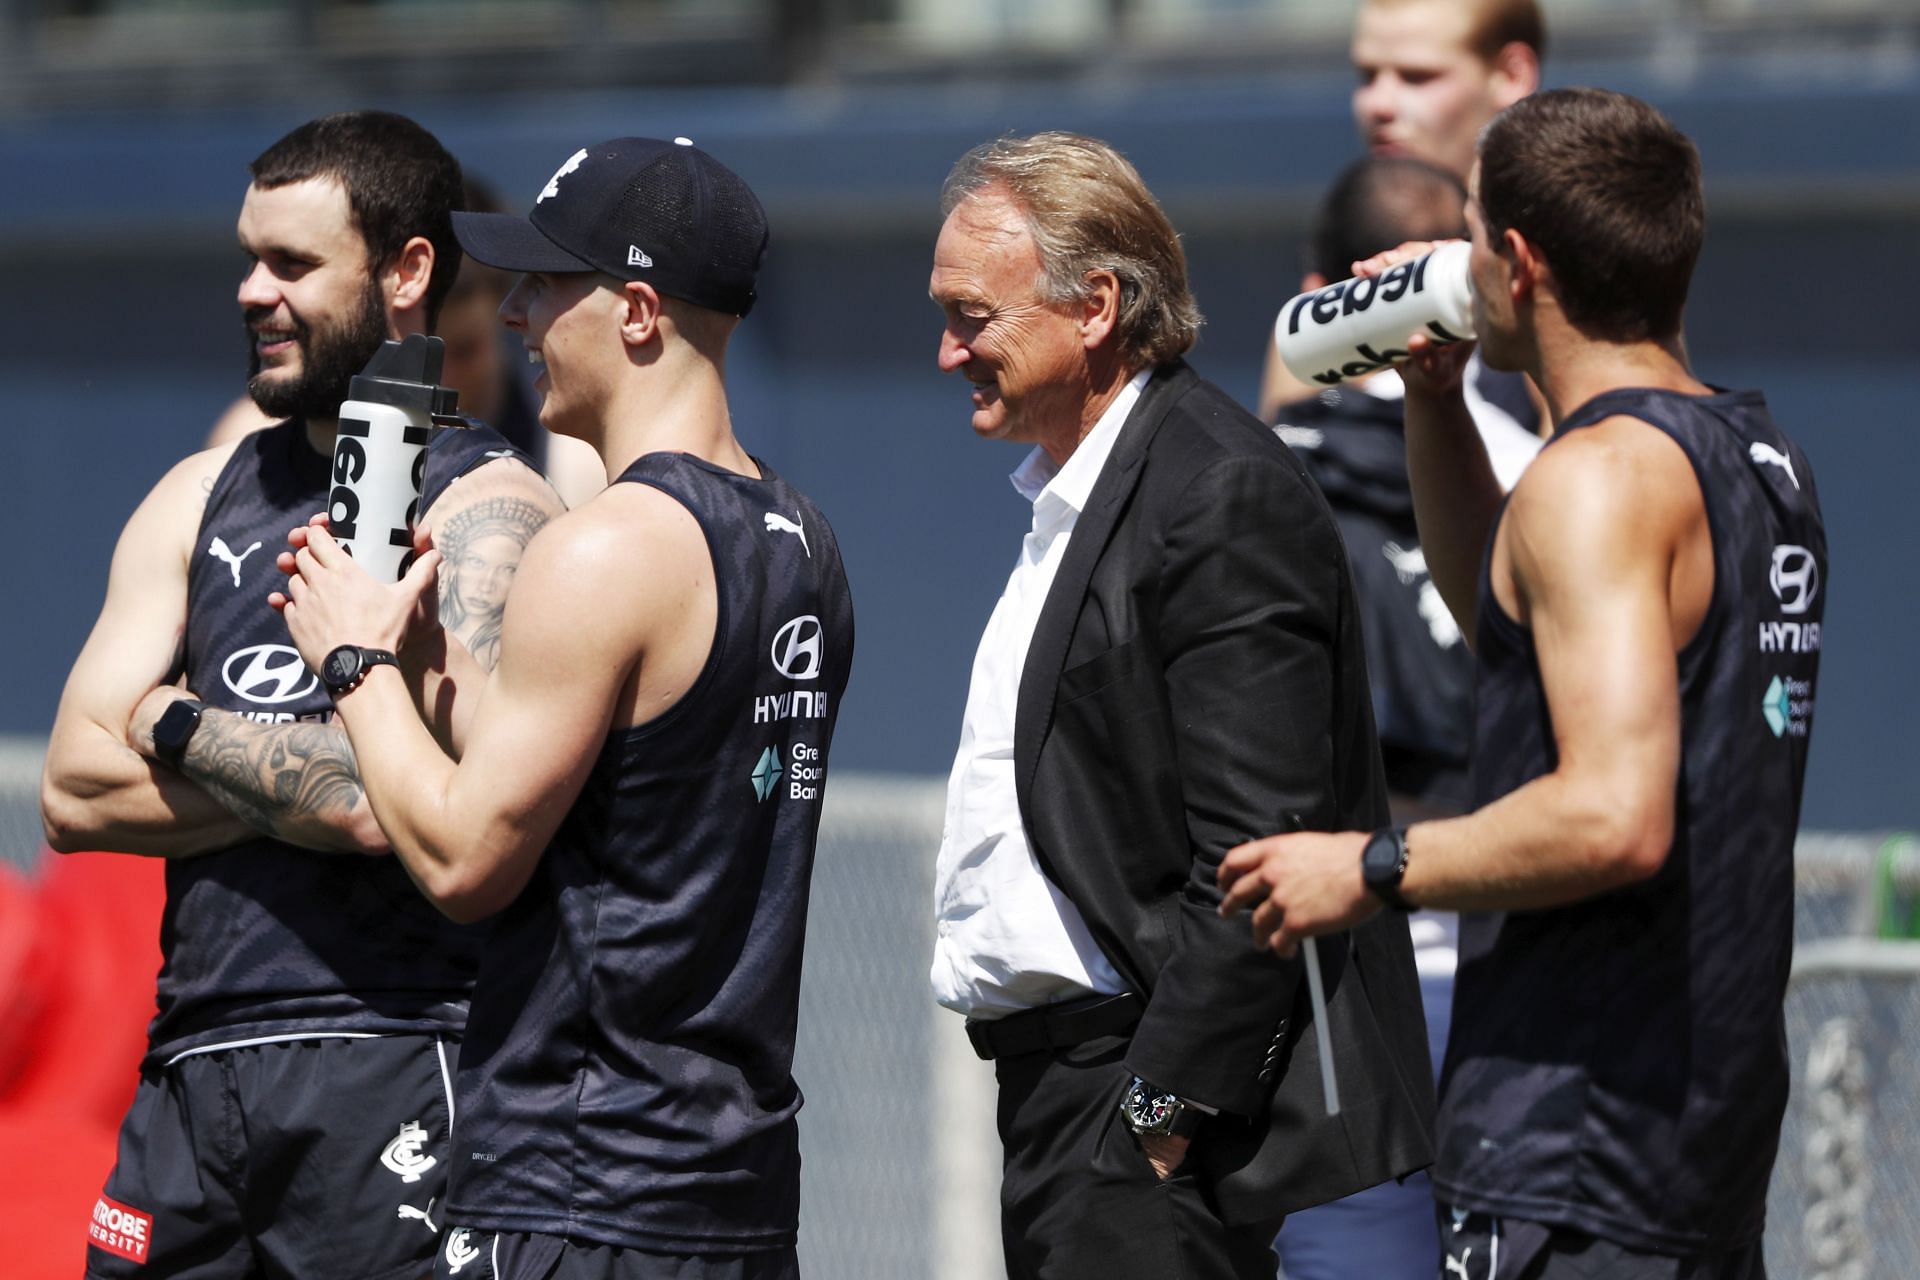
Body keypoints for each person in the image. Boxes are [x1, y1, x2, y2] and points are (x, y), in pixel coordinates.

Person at [1220, 88, 1826, 1278]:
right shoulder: (1751, 459)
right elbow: (1506, 612)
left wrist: (1369, 866)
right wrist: (1435, 399)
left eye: (1473, 230)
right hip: (1691, 1128)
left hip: (1576, 1134)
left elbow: (1614, 813)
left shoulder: (1592, 478)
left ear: (1520, 261)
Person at [272, 135, 854, 1280]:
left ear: (636, 310)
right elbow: (627, 802)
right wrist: (433, 657)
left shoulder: (601, 549)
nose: (519, 314)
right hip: (728, 1192)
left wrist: (353, 661)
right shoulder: (804, 542)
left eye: (545, 282)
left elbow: (461, 858)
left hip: (583, 1186)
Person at [39, 110, 562, 1279]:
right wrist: (322, 763)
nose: (249, 291)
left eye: (290, 264)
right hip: (186, 1073)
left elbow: (387, 808)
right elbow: (71, 793)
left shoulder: (490, 508)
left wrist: (169, 720)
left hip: (389, 1056)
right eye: (246, 257)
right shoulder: (196, 492)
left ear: (407, 271)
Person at [928, 131, 1434, 1280]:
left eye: (972, 313)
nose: (947, 348)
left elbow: (1260, 854)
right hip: (1070, 1107)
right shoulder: (1088, 489)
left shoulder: (1215, 488)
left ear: (1096, 304)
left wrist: (1155, 1121)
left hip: (1134, 1117)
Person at [1266, 154, 1486, 1280]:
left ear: (1323, 295)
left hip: (1346, 976)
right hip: (1511, 967)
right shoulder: (1532, 471)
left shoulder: (1260, 486)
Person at [210, 175, 607, 508]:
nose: (442, 381)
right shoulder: (256, 442)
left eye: (463, 351)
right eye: (414, 358)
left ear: (507, 310)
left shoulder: (574, 460)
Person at [1257, 0, 1544, 426]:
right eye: (1367, 76)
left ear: (1511, 74)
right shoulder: (1340, 258)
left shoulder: (1560, 256)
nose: (1378, 104)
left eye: (1418, 77)